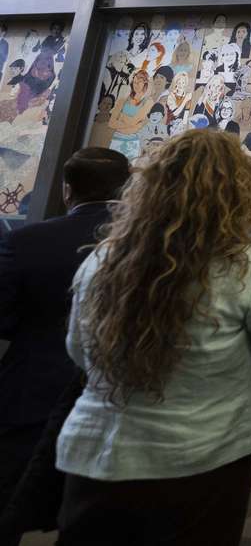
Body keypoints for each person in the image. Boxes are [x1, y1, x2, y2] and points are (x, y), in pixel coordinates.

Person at [54, 131, 251, 546]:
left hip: (99, 454)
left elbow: (80, 352)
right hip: (202, 457)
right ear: (239, 193)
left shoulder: (101, 259)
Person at [0, 149, 130, 538]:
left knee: (10, 501)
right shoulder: (150, 247)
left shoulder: (26, 241)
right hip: (120, 396)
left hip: (32, 389)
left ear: (67, 190)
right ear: (127, 189)